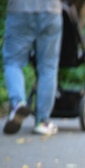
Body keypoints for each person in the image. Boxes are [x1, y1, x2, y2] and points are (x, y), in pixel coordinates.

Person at [3, 0, 63, 136]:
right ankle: (42, 122)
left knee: (13, 62)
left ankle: (18, 103)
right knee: (48, 67)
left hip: (19, 9)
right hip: (51, 10)